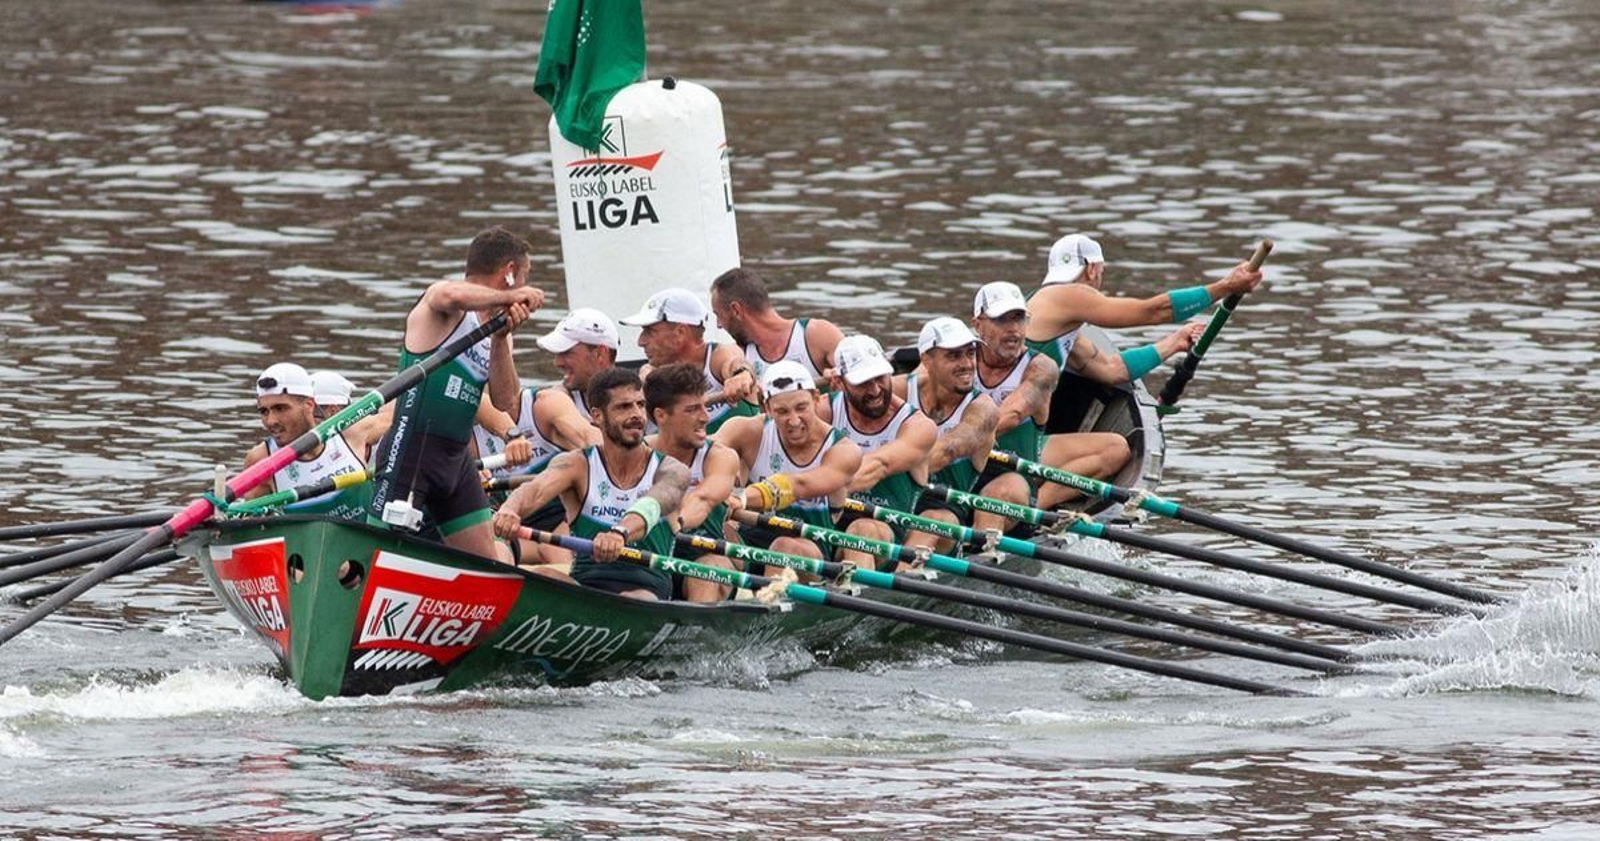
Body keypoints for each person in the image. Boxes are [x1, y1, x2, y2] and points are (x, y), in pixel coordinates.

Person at [1025, 234, 1249, 507]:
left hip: (1015, 438)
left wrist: (1173, 343)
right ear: (1092, 268)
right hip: (1012, 441)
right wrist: (1226, 287)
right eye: (1102, 272)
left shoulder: (1044, 310)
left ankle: (1028, 508)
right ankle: (1031, 511)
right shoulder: (1070, 295)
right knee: (1116, 450)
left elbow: (1112, 370)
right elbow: (1155, 310)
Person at [367, 226, 544, 560]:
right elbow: (447, 294)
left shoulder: (497, 325)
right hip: (411, 452)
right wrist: (508, 298)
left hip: (455, 461)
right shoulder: (444, 305)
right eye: (523, 277)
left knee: (486, 563)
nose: (523, 289)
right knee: (372, 557)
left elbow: (506, 400)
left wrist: (501, 338)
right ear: (508, 273)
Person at [492, 368, 689, 600]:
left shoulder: (672, 469)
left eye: (640, 405)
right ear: (597, 416)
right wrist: (509, 510)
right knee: (542, 577)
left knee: (634, 599)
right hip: (586, 586)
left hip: (646, 592)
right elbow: (534, 489)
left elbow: (656, 501)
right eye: (624, 407)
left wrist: (620, 532)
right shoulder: (577, 464)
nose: (637, 414)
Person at [714, 361, 862, 569]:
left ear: (816, 399)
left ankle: (767, 599)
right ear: (767, 408)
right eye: (782, 412)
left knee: (784, 547)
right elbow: (701, 453)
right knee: (713, 535)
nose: (794, 421)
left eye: (801, 408)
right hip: (752, 539)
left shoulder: (843, 450)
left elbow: (799, 485)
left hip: (808, 546)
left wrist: (743, 497)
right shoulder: (746, 430)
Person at [821, 335, 937, 570]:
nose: (875, 390)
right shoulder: (822, 411)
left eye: (880, 378)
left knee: (862, 531)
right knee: (787, 544)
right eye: (863, 382)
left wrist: (799, 489)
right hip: (826, 526)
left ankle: (855, 603)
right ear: (841, 383)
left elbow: (878, 465)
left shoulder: (917, 425)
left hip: (885, 533)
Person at [896, 318, 1001, 556]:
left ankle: (891, 586)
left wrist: (874, 471)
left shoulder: (983, 409)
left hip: (944, 511)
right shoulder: (900, 390)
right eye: (954, 356)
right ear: (926, 361)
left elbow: (947, 451)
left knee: (932, 523)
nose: (967, 364)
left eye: (970, 353)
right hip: (890, 507)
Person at [643, 363, 742, 602]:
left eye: (705, 407)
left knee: (708, 570)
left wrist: (671, 523)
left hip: (704, 557)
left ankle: (698, 637)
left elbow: (702, 499)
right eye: (693, 409)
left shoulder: (719, 456)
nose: (705, 418)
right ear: (660, 416)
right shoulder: (638, 453)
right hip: (652, 560)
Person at [969, 282, 1061, 535]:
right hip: (955, 476)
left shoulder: (1041, 368)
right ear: (977, 324)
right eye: (1002, 320)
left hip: (1010, 479)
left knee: (996, 497)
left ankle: (980, 557)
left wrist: (951, 443)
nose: (1013, 330)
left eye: (1019, 319)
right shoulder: (957, 359)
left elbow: (1011, 415)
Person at [242, 362, 387, 521]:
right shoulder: (261, 459)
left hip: (366, 540)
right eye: (264, 411)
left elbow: (401, 416)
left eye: (281, 408)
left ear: (309, 405)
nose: (271, 421)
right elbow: (248, 524)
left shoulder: (349, 431)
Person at [620, 288, 758, 434]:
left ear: (680, 333)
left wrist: (742, 375)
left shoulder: (719, 356)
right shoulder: (651, 374)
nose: (640, 342)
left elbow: (735, 361)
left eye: (650, 331)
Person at [709, 267, 844, 382]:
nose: (719, 325)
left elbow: (861, 378)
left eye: (719, 316)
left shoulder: (817, 334)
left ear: (736, 310)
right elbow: (729, 363)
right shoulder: (739, 355)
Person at [536, 307, 620, 419]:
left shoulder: (643, 398)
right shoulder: (556, 401)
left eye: (567, 352)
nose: (557, 363)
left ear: (600, 354)